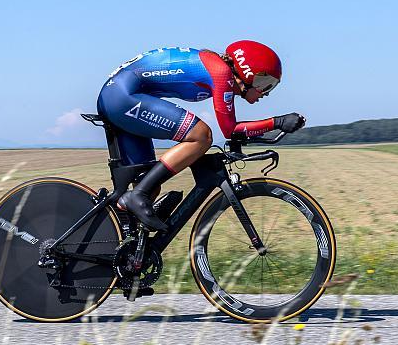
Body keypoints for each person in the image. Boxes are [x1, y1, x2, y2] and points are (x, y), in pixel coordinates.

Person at [97, 40, 305, 231]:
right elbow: (230, 130)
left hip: (120, 96)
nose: (266, 92)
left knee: (147, 183)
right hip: (123, 97)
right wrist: (277, 122)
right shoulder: (221, 73)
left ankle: (126, 251)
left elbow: (233, 130)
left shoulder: (217, 70)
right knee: (202, 136)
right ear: (248, 73)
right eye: (266, 84)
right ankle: (137, 196)